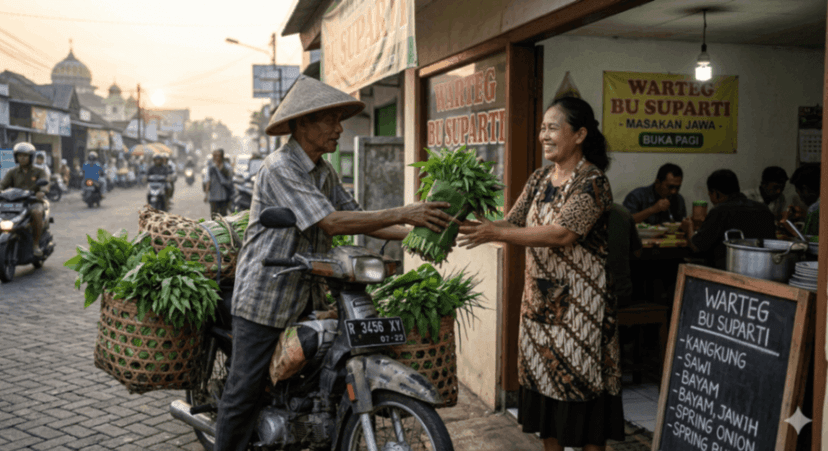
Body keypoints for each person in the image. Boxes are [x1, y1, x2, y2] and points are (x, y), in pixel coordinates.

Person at [214, 75, 457, 451]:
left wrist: (420, 231)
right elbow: (331, 222)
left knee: (313, 378)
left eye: (339, 119)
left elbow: (359, 216)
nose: (339, 128)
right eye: (330, 119)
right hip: (265, 299)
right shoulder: (280, 168)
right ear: (301, 124)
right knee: (243, 393)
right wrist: (406, 210)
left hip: (306, 296)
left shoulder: (324, 171)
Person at [458, 97, 622, 451]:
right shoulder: (538, 179)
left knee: (582, 393)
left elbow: (563, 234)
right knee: (546, 396)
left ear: (579, 134)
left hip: (581, 313)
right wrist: (472, 226)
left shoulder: (592, 182)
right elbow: (512, 223)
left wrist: (496, 233)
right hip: (539, 307)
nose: (543, 135)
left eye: (552, 127)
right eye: (542, 128)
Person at [680, 169, 776, 269]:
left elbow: (696, 247)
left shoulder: (720, 210)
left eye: (710, 195)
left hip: (727, 272)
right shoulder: (764, 209)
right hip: (763, 270)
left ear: (716, 193)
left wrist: (689, 227)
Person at [0, 142, 49, 256]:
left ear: (31, 157)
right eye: (19, 155)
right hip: (15, 203)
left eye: (25, 156)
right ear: (16, 157)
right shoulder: (12, 172)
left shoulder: (39, 171)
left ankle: (35, 244)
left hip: (33, 202)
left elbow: (45, 184)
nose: (22, 158)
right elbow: (2, 185)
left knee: (36, 212)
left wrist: (42, 191)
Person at [607, 203, 642, 309]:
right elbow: (637, 253)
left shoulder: (574, 214)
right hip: (621, 294)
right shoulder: (622, 211)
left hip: (592, 297)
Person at [787, 164, 820, 235]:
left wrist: (788, 226)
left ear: (805, 189)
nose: (800, 198)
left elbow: (807, 242)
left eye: (798, 192)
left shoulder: (814, 209)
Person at [203, 149, 234, 217]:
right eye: (215, 156)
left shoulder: (227, 167)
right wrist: (206, 195)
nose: (217, 157)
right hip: (213, 196)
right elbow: (208, 181)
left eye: (218, 156)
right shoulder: (211, 168)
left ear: (222, 156)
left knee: (223, 215)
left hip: (224, 196)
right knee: (214, 215)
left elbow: (230, 181)